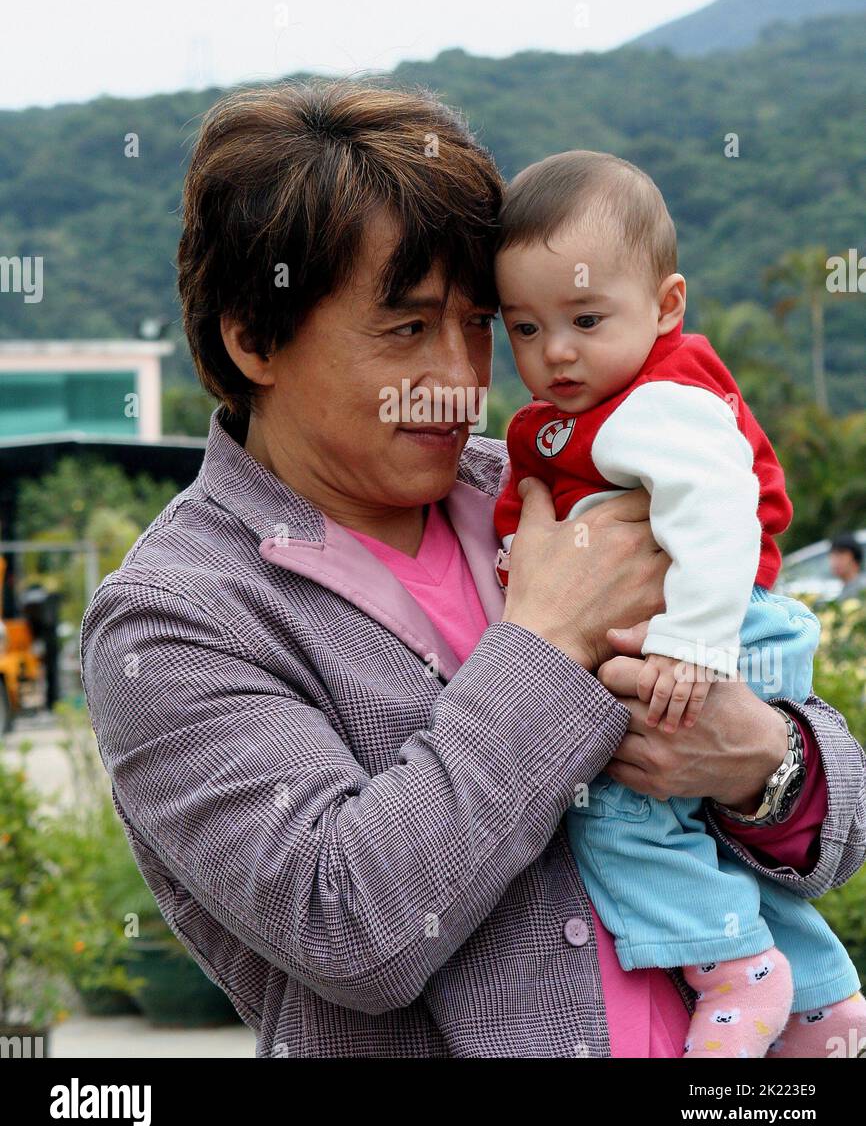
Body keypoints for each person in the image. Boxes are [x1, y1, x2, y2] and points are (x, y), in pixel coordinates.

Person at [79, 82, 866, 1058]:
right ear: (252, 337)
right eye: (406, 329)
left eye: (480, 326)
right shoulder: (175, 620)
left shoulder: (552, 486)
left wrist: (763, 765)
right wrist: (541, 643)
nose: (458, 380)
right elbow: (351, 925)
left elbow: (836, 818)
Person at [493, 149, 866, 1058]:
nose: (558, 353)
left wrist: (693, 649)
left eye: (585, 318)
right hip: (715, 626)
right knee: (705, 824)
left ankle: (735, 971)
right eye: (527, 329)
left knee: (623, 817)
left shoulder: (653, 405)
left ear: (665, 305)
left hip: (714, 629)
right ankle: (822, 999)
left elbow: (720, 513)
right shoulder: (620, 400)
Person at [829, 534, 866, 602]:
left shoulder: (862, 589)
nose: (835, 562)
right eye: (833, 556)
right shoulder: (844, 591)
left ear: (855, 560)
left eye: (840, 556)